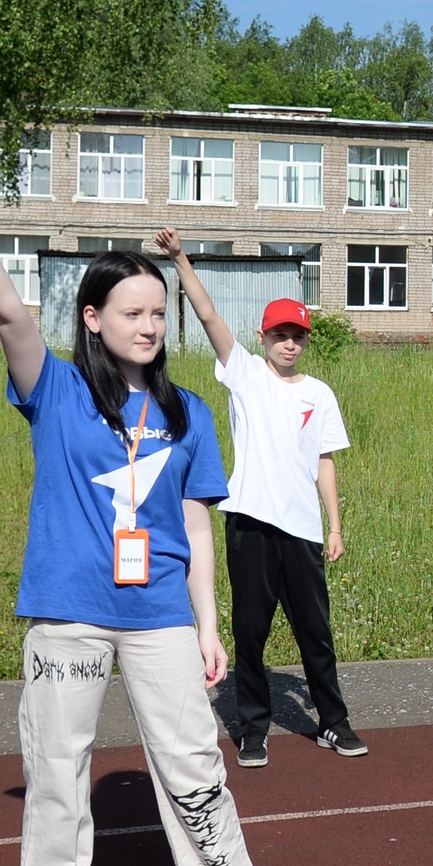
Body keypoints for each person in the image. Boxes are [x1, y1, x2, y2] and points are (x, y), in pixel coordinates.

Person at [0, 177, 277, 866]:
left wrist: (208, 626)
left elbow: (196, 529)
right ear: (92, 318)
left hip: (159, 616)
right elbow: (13, 315)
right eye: (132, 312)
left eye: (158, 313)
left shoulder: (189, 413)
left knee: (195, 770)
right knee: (57, 773)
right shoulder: (54, 390)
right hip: (69, 619)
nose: (150, 325)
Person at [158, 229, 360, 767]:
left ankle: (333, 723)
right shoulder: (245, 375)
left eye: (297, 334)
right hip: (249, 522)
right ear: (263, 336)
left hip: (303, 530)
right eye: (279, 334)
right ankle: (253, 728)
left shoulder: (320, 394)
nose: (289, 342)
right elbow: (208, 318)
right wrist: (180, 259)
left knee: (315, 632)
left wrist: (335, 526)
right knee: (251, 631)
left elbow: (324, 461)